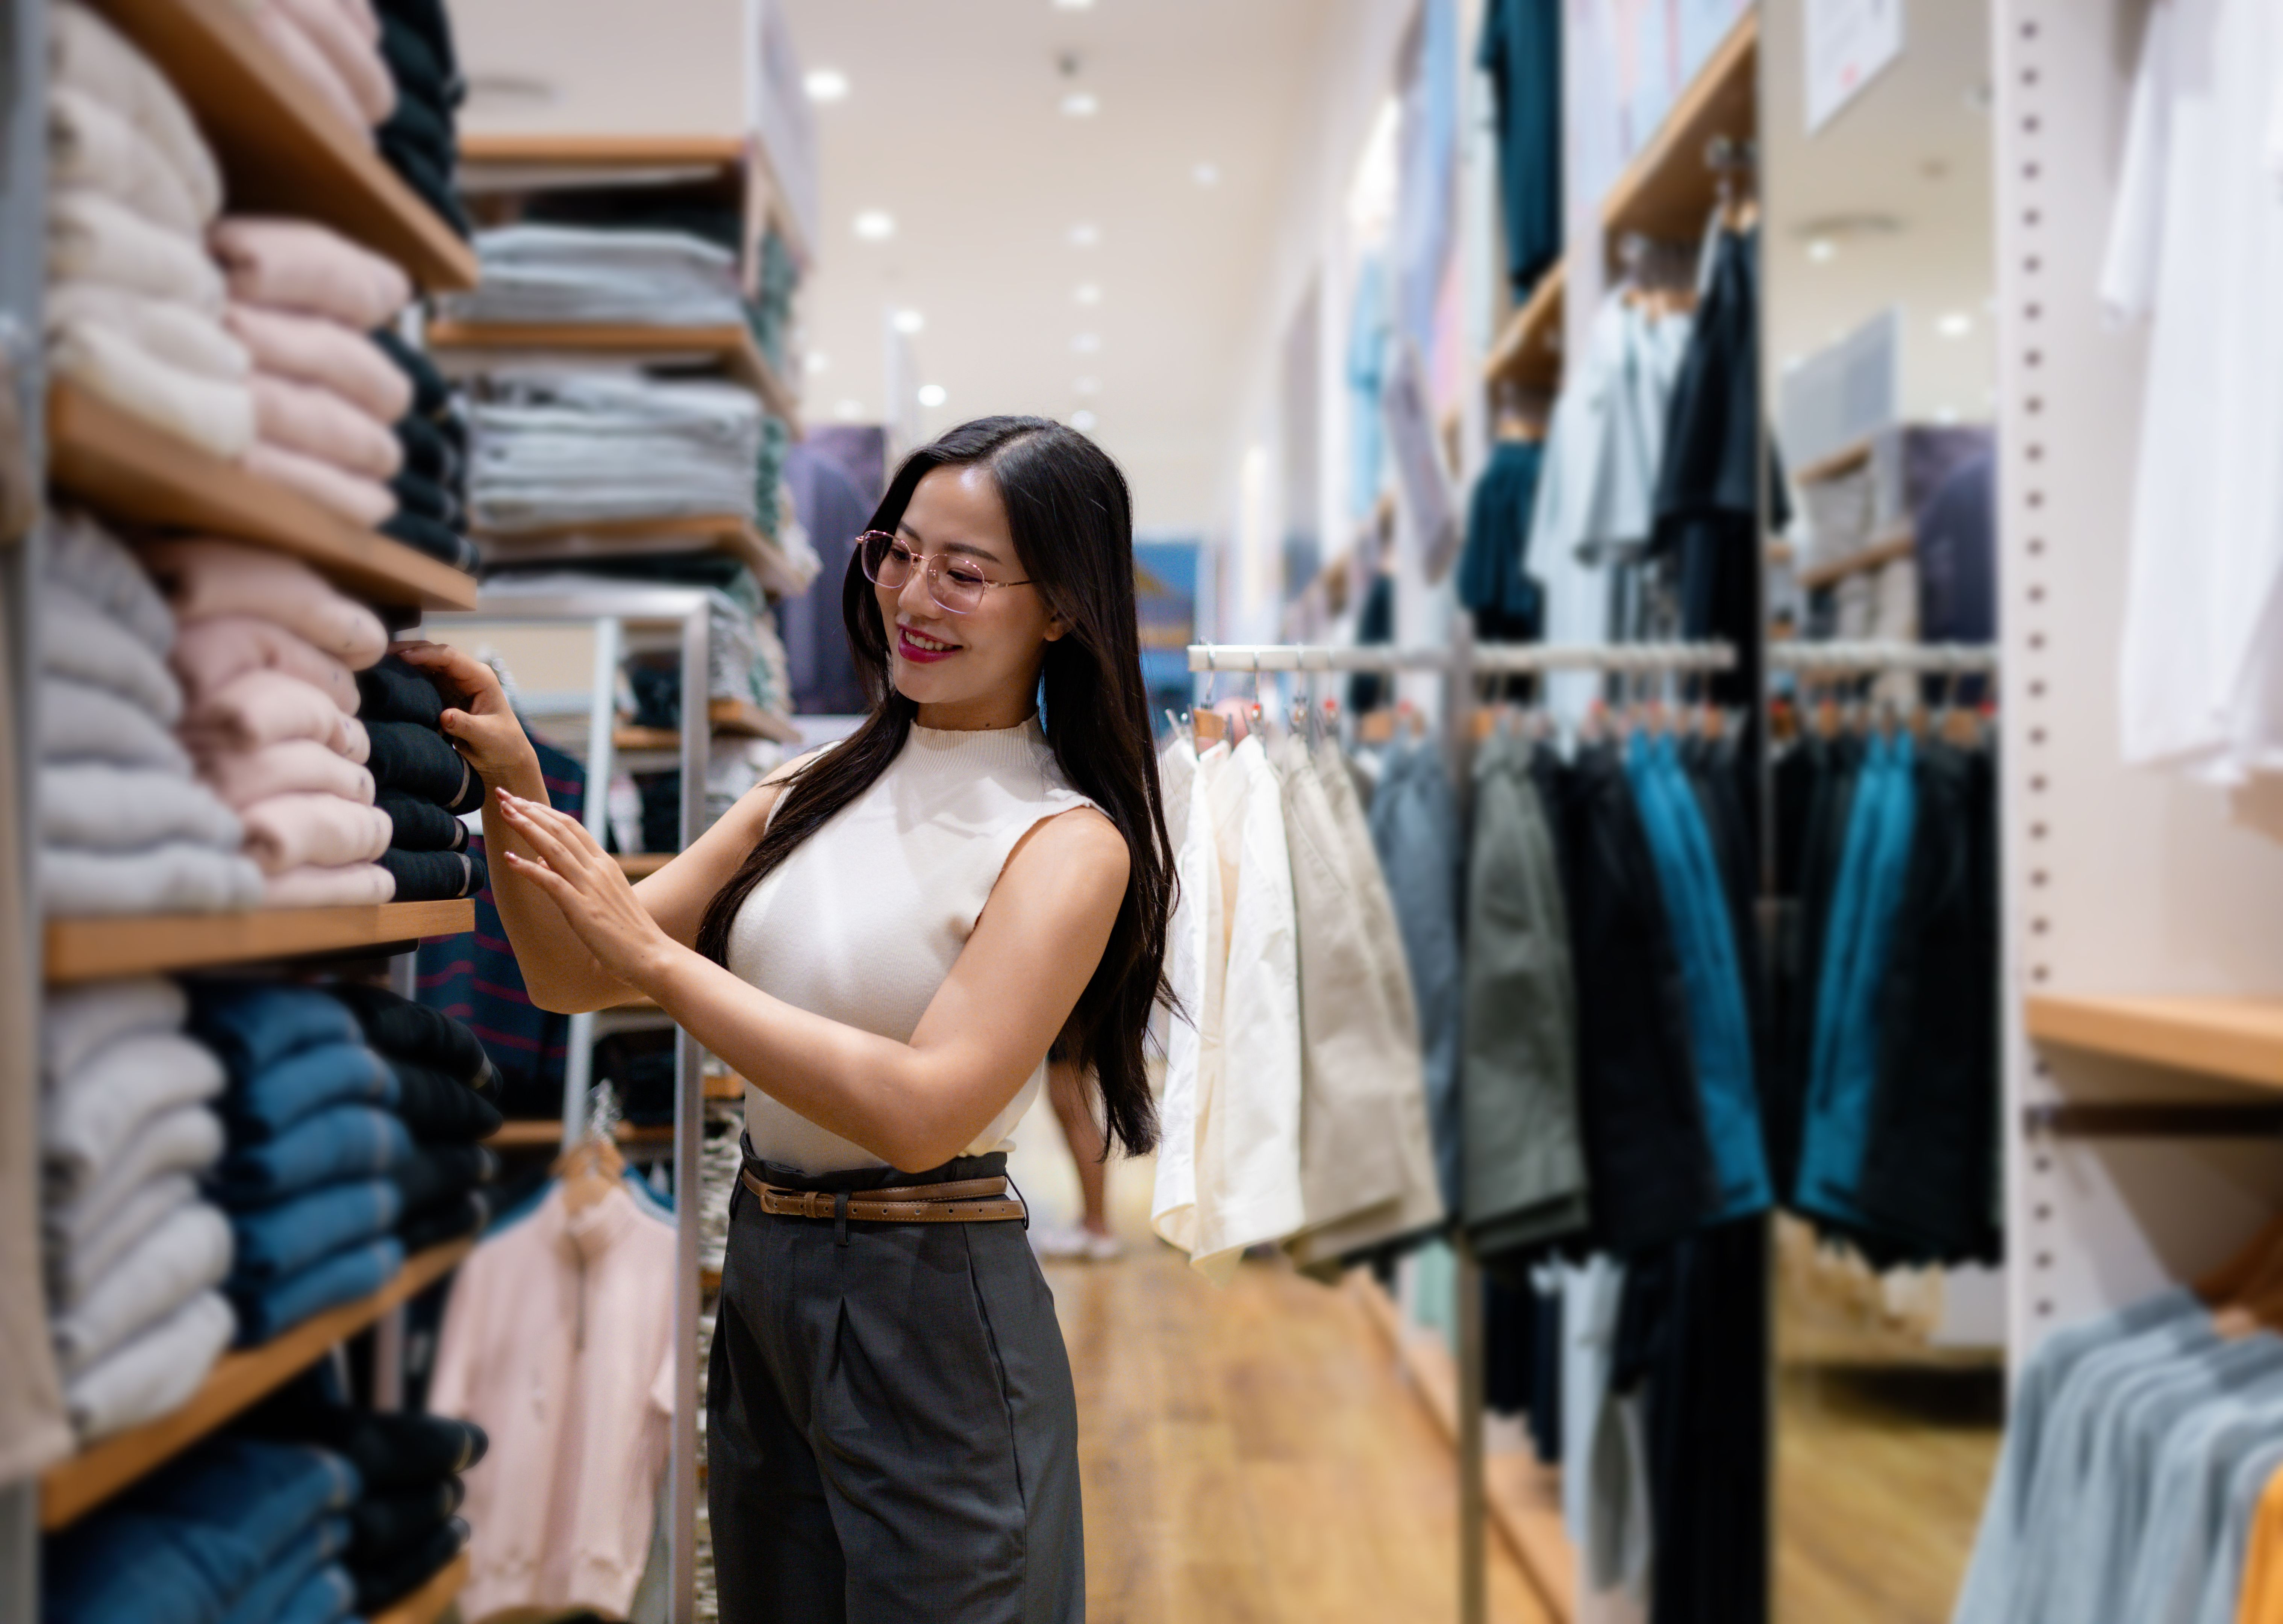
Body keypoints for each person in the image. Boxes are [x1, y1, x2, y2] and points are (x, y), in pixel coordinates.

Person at [403, 416, 1174, 1624]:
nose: (914, 595)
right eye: (896, 553)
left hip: (931, 1292)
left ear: (1063, 606)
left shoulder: (1068, 841)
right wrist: (514, 791)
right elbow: (568, 973)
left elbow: (924, 1111)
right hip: (768, 1266)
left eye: (965, 572)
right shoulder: (804, 790)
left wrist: (656, 962)